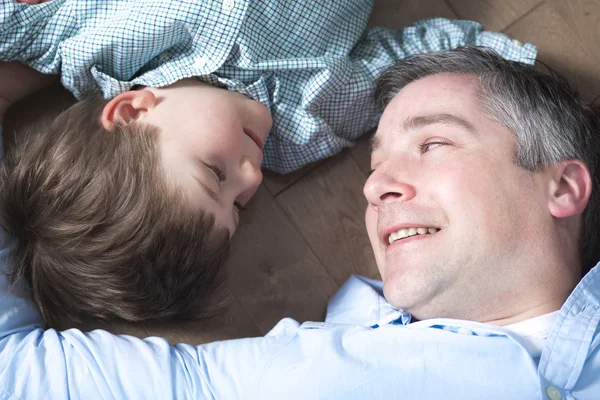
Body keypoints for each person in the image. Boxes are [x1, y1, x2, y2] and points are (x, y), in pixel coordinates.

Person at [1, 47, 598, 399]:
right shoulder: (243, 383)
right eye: (376, 163)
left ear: (563, 187)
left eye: (433, 143)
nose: (374, 186)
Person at [0, 0, 536, 328]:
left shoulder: (95, 39)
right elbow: (418, 62)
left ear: (134, 110)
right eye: (238, 204)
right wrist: (514, 75)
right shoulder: (307, 124)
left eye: (214, 172)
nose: (252, 175)